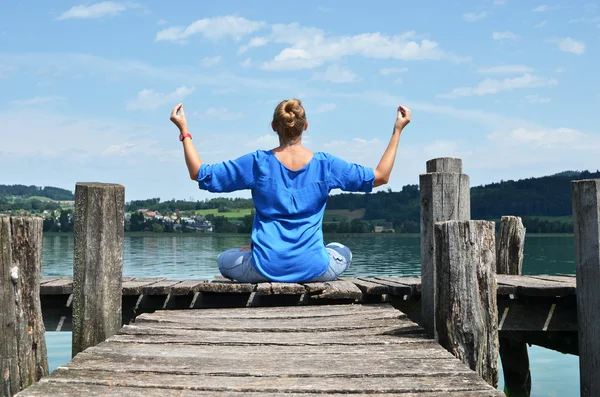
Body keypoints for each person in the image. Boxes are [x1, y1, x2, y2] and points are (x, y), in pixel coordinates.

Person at [169, 99, 411, 283]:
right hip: (315, 269)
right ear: (305, 126)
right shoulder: (326, 165)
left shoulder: (257, 162)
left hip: (264, 268)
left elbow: (200, 173)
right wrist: (398, 130)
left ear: (274, 126)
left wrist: (184, 129)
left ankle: (260, 250)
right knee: (342, 250)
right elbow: (380, 176)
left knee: (224, 259)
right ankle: (307, 253)